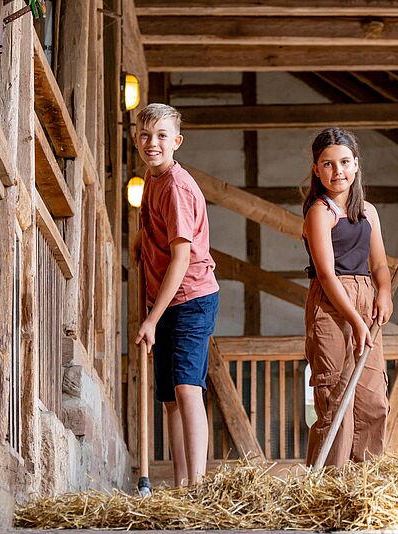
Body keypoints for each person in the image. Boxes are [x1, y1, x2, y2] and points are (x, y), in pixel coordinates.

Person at [133, 103, 219, 486]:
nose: (152, 143)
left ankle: (197, 486)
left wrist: (151, 319)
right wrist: (141, 238)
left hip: (191, 298)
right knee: (169, 396)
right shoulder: (152, 178)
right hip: (166, 299)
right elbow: (160, 230)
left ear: (177, 142)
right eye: (145, 135)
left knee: (187, 388)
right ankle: (181, 484)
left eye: (162, 136)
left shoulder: (176, 186)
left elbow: (182, 257)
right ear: (136, 138)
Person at [302, 127, 393, 467]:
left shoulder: (368, 211)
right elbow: (326, 273)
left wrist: (384, 293)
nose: (337, 171)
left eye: (344, 162)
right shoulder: (320, 212)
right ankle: (330, 482)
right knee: (336, 395)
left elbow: (379, 263)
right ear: (316, 169)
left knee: (372, 398)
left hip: (366, 295)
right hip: (331, 302)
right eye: (328, 164)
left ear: (356, 164)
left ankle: (365, 480)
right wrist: (355, 321)